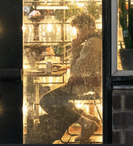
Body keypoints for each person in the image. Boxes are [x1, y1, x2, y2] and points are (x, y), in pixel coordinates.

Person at [27, 12, 101, 144]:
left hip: (84, 85)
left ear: (85, 28)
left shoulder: (91, 44)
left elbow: (76, 72)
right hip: (90, 82)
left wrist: (74, 48)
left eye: (78, 30)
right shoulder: (96, 40)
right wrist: (67, 66)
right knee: (59, 100)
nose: (77, 34)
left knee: (47, 100)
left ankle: (85, 122)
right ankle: (87, 118)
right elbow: (84, 67)